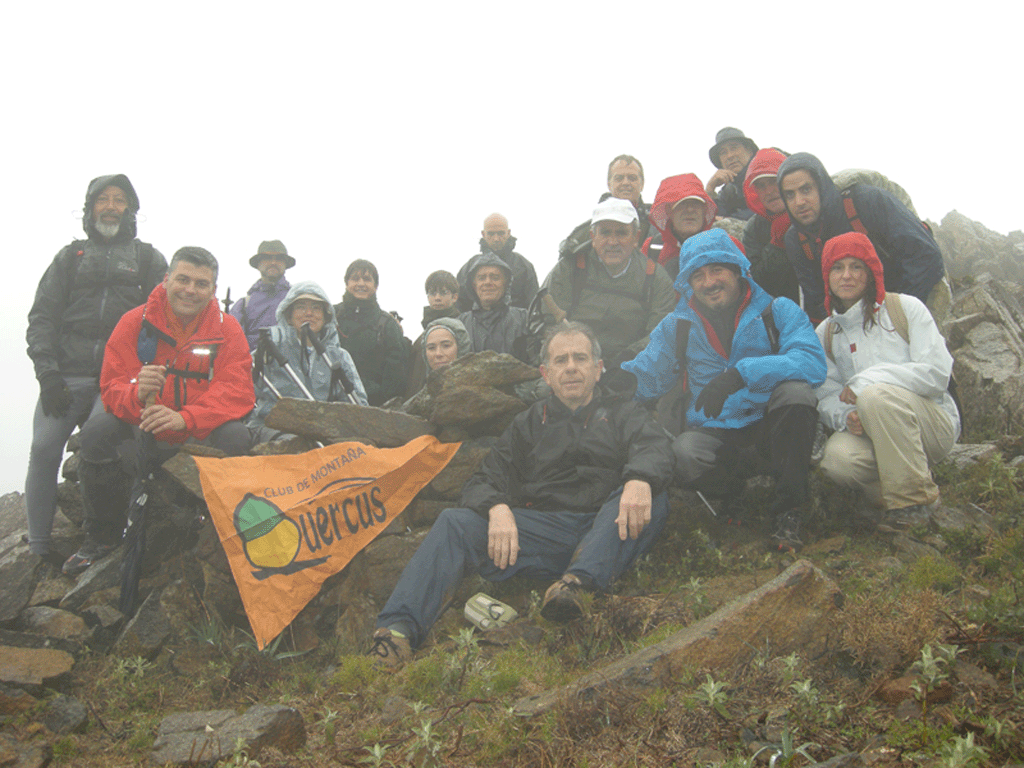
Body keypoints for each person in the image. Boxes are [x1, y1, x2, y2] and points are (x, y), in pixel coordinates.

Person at [369, 322, 674, 666]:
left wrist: (639, 480)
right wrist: (497, 508)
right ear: (546, 373)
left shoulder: (624, 412)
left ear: (598, 368)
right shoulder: (528, 424)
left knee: (652, 496)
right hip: (544, 533)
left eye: (580, 358)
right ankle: (396, 633)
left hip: (607, 526)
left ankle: (577, 587)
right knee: (454, 523)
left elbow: (657, 448)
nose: (571, 367)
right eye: (561, 360)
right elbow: (483, 479)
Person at [623, 229, 825, 551]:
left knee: (797, 395)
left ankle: (790, 510)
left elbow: (812, 362)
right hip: (716, 433)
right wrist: (613, 382)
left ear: (737, 269)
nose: (708, 282)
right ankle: (733, 497)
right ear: (688, 283)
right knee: (684, 454)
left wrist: (741, 375)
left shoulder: (778, 310)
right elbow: (648, 375)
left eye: (716, 270)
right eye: (698, 275)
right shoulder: (678, 326)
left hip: (772, 429)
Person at [64, 247, 255, 575]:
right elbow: (111, 387)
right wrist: (137, 394)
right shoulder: (134, 322)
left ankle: (212, 526)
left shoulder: (228, 329)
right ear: (166, 280)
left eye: (201, 284)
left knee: (237, 436)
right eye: (182, 279)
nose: (190, 290)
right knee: (96, 433)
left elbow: (237, 391)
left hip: (195, 436)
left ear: (212, 290)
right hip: (143, 435)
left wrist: (187, 417)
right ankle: (103, 535)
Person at [25, 175, 167, 565]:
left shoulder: (149, 259)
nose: (110, 206)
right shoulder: (69, 258)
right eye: (102, 199)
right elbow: (42, 318)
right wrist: (48, 374)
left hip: (119, 378)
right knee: (42, 449)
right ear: (89, 209)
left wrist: (144, 374)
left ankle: (103, 537)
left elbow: (164, 322)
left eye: (119, 200)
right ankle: (37, 549)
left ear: (130, 210)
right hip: (66, 376)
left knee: (100, 438)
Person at [814, 232, 959, 529]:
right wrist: (846, 416)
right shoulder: (827, 332)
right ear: (827, 277)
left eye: (857, 266)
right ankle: (891, 488)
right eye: (837, 268)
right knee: (837, 461)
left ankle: (915, 503)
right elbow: (826, 393)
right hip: (872, 432)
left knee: (875, 396)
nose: (847, 276)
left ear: (871, 272)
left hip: (931, 425)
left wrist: (867, 382)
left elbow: (936, 374)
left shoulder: (905, 308)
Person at [777, 152, 948, 323]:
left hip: (913, 291)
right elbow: (816, 300)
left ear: (821, 187)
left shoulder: (866, 201)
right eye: (790, 195)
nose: (799, 202)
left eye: (806, 190)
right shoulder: (796, 240)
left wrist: (892, 317)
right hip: (862, 312)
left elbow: (925, 256)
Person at [545, 197, 675, 367]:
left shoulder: (656, 277)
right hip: (573, 363)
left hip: (633, 367)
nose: (613, 242)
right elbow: (546, 324)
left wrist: (625, 362)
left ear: (636, 237)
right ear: (593, 236)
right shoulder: (569, 268)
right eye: (605, 233)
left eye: (621, 233)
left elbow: (660, 334)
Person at [249, 281, 367, 443]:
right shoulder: (268, 351)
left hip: (323, 430)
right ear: (288, 316)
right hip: (272, 428)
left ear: (326, 316)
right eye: (301, 307)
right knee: (294, 443)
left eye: (316, 308)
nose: (309, 313)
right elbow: (242, 391)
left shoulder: (340, 357)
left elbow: (358, 404)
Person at [333, 259, 407, 407]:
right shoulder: (331, 316)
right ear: (346, 283)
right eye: (355, 278)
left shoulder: (387, 324)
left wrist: (380, 400)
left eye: (367, 279)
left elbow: (396, 372)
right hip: (330, 398)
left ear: (376, 285)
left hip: (372, 405)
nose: (361, 283)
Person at [558, 155, 654, 260]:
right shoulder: (584, 233)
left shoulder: (658, 227)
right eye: (619, 178)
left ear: (642, 184)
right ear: (609, 184)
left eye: (632, 178)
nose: (626, 182)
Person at [742, 149, 800, 303]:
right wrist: (776, 245)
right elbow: (759, 283)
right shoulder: (754, 228)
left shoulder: (812, 211)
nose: (768, 191)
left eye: (774, 181)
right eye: (760, 186)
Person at [456, 214, 539, 312]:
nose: (496, 239)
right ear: (483, 234)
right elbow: (459, 303)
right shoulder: (470, 267)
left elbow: (534, 304)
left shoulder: (524, 266)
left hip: (516, 325)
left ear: (508, 233)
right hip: (477, 325)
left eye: (501, 233)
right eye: (491, 234)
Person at [643, 173, 717, 279]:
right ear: (669, 211)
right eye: (682, 204)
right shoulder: (651, 248)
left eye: (696, 203)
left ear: (704, 210)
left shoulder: (723, 245)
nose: (690, 209)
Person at [405, 271, 463, 397]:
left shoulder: (462, 330)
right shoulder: (421, 337)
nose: (437, 298)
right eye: (432, 293)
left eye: (443, 292)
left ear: (454, 297)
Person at [230, 240, 295, 351]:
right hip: (253, 365)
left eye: (279, 259)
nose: (273, 262)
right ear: (258, 264)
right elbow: (232, 342)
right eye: (267, 258)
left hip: (292, 366)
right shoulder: (243, 305)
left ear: (285, 265)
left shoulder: (297, 299)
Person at [458, 253, 528, 355]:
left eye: (495, 278)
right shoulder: (461, 324)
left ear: (505, 283)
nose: (488, 282)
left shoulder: (524, 319)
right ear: (473, 285)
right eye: (481, 278)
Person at [705, 127, 759, 220]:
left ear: (749, 151)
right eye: (723, 152)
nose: (730, 156)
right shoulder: (729, 190)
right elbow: (713, 218)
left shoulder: (763, 175)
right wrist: (710, 189)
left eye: (734, 148)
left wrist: (729, 219)